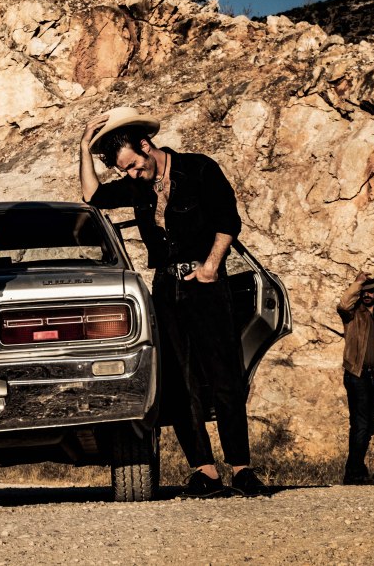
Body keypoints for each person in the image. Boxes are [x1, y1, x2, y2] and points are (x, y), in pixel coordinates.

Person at [79, 107, 270, 498]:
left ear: (146, 146)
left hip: (206, 283)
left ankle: (242, 468)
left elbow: (228, 221)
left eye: (134, 165)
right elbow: (92, 196)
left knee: (225, 375)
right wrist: (84, 147)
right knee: (179, 382)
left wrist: (212, 266)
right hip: (166, 286)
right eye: (125, 171)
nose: (133, 174)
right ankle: (205, 471)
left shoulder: (199, 169)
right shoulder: (136, 186)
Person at [337, 274, 374, 484]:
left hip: (371, 377)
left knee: (370, 424)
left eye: (371, 291)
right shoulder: (353, 313)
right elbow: (343, 304)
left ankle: (355, 468)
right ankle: (355, 473)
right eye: (364, 291)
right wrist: (357, 283)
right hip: (356, 374)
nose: (367, 295)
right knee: (360, 423)